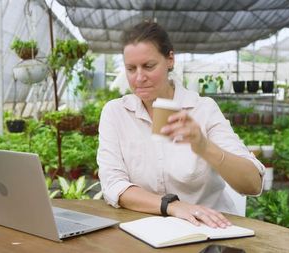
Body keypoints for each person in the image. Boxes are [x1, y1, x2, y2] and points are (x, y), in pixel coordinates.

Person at [97, 21, 265, 229]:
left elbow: (252, 184)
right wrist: (172, 206)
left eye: (149, 66)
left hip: (207, 231)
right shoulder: (116, 113)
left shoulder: (203, 110)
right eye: (131, 69)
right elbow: (114, 184)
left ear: (170, 59)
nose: (139, 78)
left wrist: (203, 146)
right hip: (146, 230)